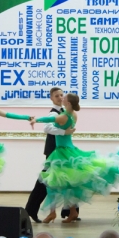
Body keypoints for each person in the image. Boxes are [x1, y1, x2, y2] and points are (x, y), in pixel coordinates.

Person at [31, 93, 119, 223]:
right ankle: (70, 212)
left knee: (52, 182)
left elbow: (49, 119)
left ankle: (54, 213)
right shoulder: (73, 115)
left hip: (62, 152)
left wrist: (35, 120)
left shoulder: (63, 116)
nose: (62, 99)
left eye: (64, 98)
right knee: (67, 183)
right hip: (69, 149)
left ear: (68, 103)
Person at [25, 87, 77, 223]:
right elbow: (47, 128)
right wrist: (64, 132)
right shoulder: (54, 113)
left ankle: (69, 211)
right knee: (46, 181)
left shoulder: (66, 112)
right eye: (56, 96)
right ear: (51, 98)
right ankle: (33, 210)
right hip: (54, 151)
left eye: (61, 95)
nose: (60, 97)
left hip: (63, 151)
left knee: (66, 179)